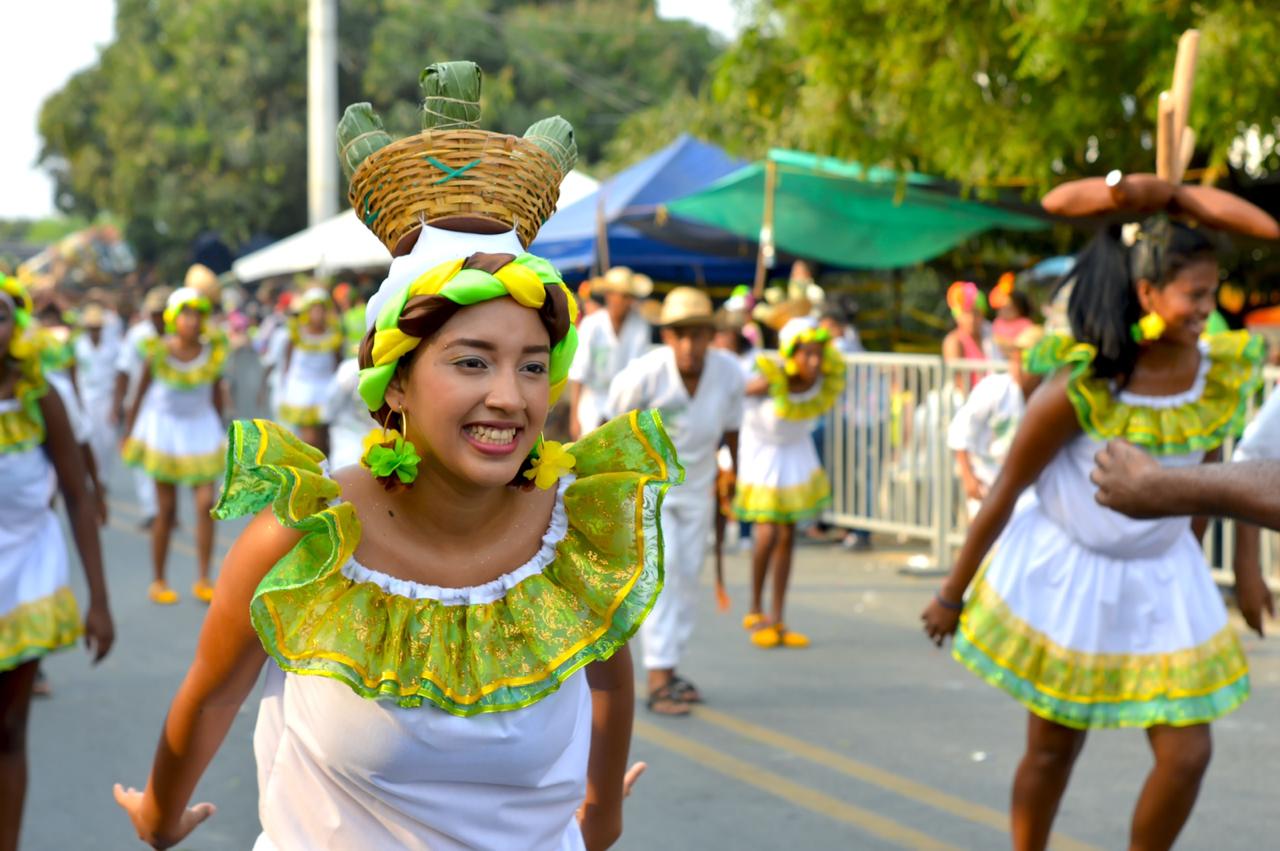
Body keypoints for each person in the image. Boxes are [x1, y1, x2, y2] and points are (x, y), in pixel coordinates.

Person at [116, 82, 664, 850]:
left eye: (533, 366)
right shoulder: (309, 533)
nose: (509, 397)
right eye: (473, 361)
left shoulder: (574, 535)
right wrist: (159, 812)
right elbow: (210, 696)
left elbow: (608, 675)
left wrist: (601, 810)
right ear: (395, 381)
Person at [921, 212, 1269, 851]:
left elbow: (1221, 473)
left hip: (1166, 577)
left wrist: (1239, 565)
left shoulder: (1213, 374)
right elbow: (1007, 488)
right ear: (1147, 295)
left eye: (1212, 293)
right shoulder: (1084, 383)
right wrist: (951, 592)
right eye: (1194, 295)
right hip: (1073, 579)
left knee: (1188, 754)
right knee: (1053, 749)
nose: (1208, 309)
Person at [0, 274, 114, 850]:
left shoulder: (42, 395)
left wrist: (99, 599)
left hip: (26, 573)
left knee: (8, 729)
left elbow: (76, 496)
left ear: (16, 326)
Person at [607, 287, 744, 715]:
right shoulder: (643, 374)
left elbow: (733, 430)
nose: (690, 345)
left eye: (698, 335)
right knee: (660, 582)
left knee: (686, 579)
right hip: (651, 493)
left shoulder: (729, 373)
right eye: (681, 335)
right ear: (668, 336)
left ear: (711, 336)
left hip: (699, 488)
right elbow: (613, 427)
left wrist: (733, 477)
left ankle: (670, 666)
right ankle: (658, 677)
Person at [735, 316, 845, 648]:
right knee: (767, 532)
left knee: (786, 535)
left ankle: (779, 617)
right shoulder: (770, 380)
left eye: (817, 354)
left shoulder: (824, 380)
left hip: (794, 453)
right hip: (763, 454)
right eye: (805, 354)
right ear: (790, 354)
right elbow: (734, 393)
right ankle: (755, 609)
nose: (813, 361)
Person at [122, 288, 228, 605]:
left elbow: (217, 396)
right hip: (165, 431)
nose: (192, 321)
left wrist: (222, 431)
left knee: (206, 504)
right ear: (173, 318)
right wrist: (128, 432)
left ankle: (204, 579)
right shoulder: (158, 351)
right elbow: (139, 393)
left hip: (201, 430)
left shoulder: (213, 353)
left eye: (197, 314)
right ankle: (159, 579)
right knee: (165, 511)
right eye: (185, 314)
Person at [947, 325, 1043, 519]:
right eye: (1015, 358)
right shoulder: (993, 388)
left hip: (1025, 490)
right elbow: (960, 431)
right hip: (987, 482)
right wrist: (968, 477)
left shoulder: (1045, 397)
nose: (1017, 364)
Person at [568, 266, 653, 439]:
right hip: (592, 403)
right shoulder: (592, 324)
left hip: (626, 405)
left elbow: (640, 374)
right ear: (609, 296)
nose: (626, 302)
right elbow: (579, 374)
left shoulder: (640, 326)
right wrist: (574, 417)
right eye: (622, 296)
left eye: (629, 296)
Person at [112, 286, 171, 529]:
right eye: (155, 312)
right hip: (141, 405)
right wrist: (119, 403)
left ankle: (167, 509)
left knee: (166, 458)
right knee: (142, 458)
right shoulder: (138, 335)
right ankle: (151, 509)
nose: (159, 318)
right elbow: (124, 370)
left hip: (169, 410)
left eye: (163, 312)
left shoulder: (179, 336)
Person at [277, 286, 343, 452]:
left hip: (326, 390)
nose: (318, 313)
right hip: (302, 391)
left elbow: (338, 364)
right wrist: (284, 386)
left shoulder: (334, 335)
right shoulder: (296, 334)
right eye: (314, 309)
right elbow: (287, 360)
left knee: (324, 439)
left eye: (321, 309)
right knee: (309, 438)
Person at [74, 302, 122, 488]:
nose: (94, 331)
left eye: (97, 328)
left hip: (106, 398)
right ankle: (90, 478)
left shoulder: (113, 346)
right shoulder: (79, 346)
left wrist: (116, 406)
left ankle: (103, 479)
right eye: (91, 328)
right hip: (86, 398)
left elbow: (120, 376)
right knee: (88, 439)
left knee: (107, 441)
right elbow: (75, 376)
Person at [941, 281, 997, 389]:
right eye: (966, 313)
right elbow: (958, 380)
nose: (972, 319)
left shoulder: (990, 336)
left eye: (976, 313)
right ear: (957, 316)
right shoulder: (953, 341)